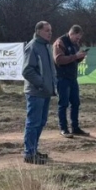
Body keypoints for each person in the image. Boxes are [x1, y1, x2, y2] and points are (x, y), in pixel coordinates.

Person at [22, 21, 56, 165]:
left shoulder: (47, 46)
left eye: (51, 30)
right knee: (33, 123)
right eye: (47, 30)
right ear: (38, 31)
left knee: (41, 122)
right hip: (36, 92)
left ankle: (34, 150)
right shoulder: (33, 46)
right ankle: (29, 153)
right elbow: (27, 71)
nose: (50, 33)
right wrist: (41, 83)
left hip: (46, 92)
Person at [53, 25, 90, 138]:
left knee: (76, 103)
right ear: (72, 33)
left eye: (79, 39)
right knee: (63, 104)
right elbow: (59, 59)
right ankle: (63, 128)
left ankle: (75, 127)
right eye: (77, 38)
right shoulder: (60, 42)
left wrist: (81, 57)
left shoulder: (75, 44)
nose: (78, 41)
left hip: (72, 77)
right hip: (62, 77)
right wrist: (75, 56)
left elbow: (73, 59)